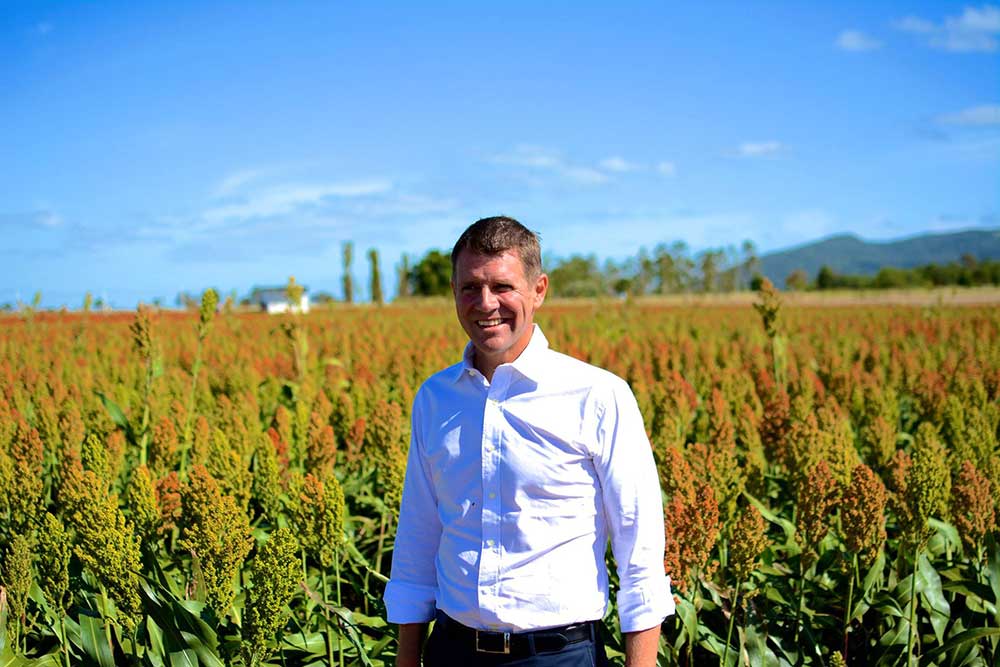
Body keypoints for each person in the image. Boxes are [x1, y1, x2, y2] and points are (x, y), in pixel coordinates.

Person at [384, 216, 674, 666]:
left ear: (539, 290)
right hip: (452, 649)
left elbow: (640, 549)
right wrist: (406, 658)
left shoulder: (597, 395)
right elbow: (419, 538)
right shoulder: (435, 399)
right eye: (469, 288)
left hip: (559, 654)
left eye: (502, 286)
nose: (485, 304)